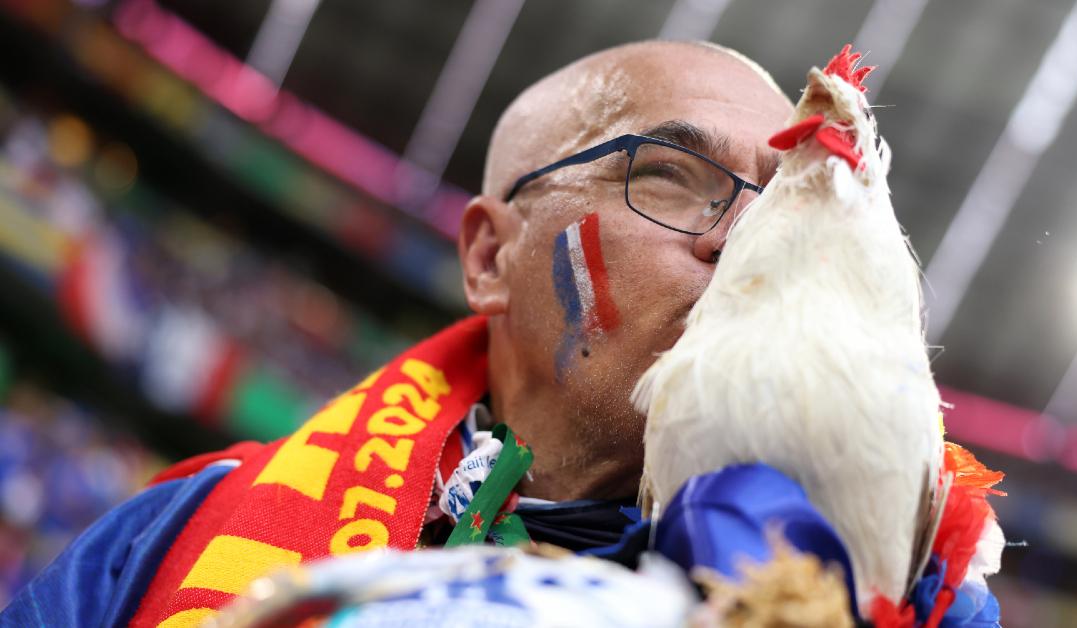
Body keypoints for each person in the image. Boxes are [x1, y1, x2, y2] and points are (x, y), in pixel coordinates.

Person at [2, 40, 792, 626]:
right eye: (673, 175)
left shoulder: (806, 598)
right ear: (490, 257)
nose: (749, 240)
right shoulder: (170, 529)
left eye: (790, 213)